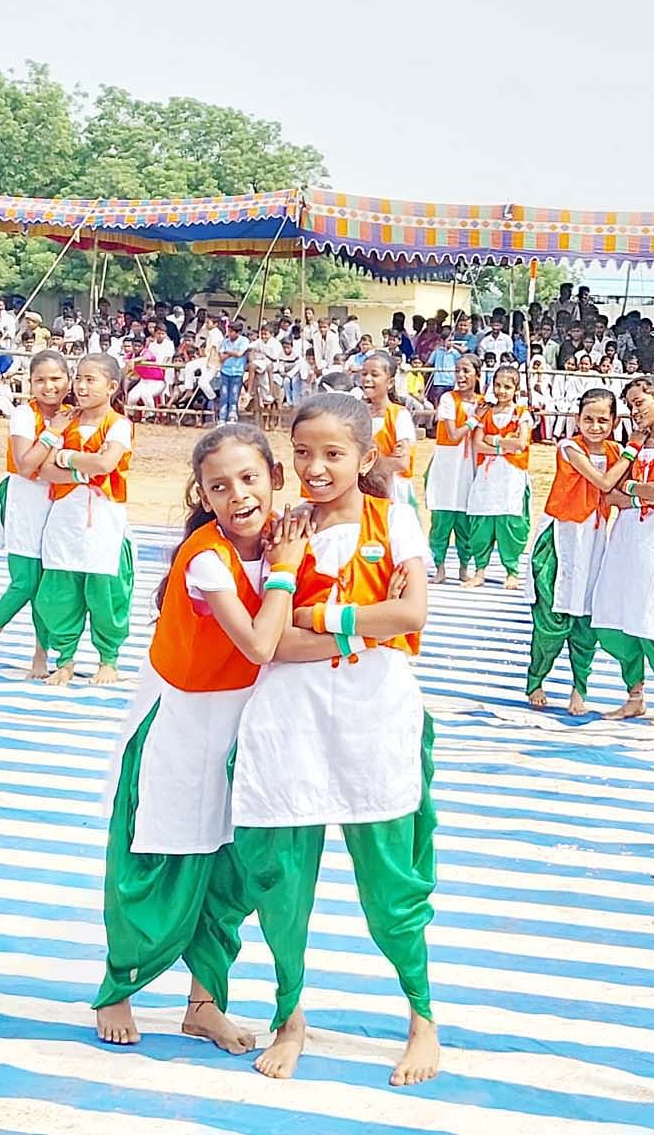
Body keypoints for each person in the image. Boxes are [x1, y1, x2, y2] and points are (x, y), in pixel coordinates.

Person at [229, 392, 441, 1086]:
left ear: (366, 458)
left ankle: (422, 1019)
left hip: (374, 721)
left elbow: (411, 614)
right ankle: (290, 1016)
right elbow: (274, 645)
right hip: (290, 723)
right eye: (303, 453)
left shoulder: (395, 521)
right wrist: (359, 625)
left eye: (333, 454)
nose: (315, 467)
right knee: (282, 876)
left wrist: (324, 617)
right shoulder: (282, 531)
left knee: (391, 883)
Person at [94, 422, 303, 1054]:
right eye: (220, 486)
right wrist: (286, 573)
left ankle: (203, 1005)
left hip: (244, 720)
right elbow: (261, 641)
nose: (239, 495)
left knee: (225, 863)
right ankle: (119, 987)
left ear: (274, 478)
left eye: (250, 478)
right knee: (156, 854)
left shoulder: (285, 539)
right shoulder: (209, 558)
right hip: (180, 722)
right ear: (203, 496)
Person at [588, 377, 654, 724]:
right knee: (615, 610)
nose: (635, 411)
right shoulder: (633, 445)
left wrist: (631, 494)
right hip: (626, 534)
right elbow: (611, 493)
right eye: (631, 405)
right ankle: (634, 695)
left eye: (640, 402)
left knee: (653, 612)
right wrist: (638, 494)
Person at [33, 353, 135, 687]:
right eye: (78, 378)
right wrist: (82, 467)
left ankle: (108, 659)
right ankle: (65, 659)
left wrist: (67, 459)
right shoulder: (65, 421)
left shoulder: (119, 424)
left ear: (111, 387)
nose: (81, 385)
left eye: (91, 379)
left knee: (104, 589)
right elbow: (46, 469)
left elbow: (107, 464)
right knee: (61, 589)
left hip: (104, 518)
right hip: (66, 516)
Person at [0, 350, 71, 678]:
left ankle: (40, 653)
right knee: (25, 580)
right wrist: (52, 432)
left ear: (68, 381)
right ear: (30, 383)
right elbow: (26, 464)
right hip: (25, 502)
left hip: (60, 502)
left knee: (47, 581)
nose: (48, 386)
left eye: (56, 378)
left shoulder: (74, 415)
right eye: (40, 380)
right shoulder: (23, 415)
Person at [527, 387, 621, 713]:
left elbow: (619, 491)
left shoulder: (615, 452)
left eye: (602, 420)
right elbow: (604, 483)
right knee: (551, 614)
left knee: (585, 615)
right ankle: (536, 679)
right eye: (588, 419)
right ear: (577, 419)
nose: (595, 426)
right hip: (562, 536)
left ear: (613, 422)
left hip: (594, 541)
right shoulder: (569, 446)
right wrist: (632, 453)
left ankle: (579, 687)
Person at [463, 365, 533, 589]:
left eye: (507, 386)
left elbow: (521, 444)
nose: (502, 391)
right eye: (498, 385)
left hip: (511, 476)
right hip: (487, 475)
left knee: (510, 522)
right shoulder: (487, 413)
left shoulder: (521, 414)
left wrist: (494, 440)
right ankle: (480, 570)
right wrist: (504, 445)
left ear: (516, 388)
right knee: (482, 522)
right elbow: (477, 444)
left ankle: (511, 571)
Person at [425, 357, 480, 581]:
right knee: (442, 516)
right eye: (457, 371)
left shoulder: (484, 401)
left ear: (477, 373)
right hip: (448, 464)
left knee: (466, 518)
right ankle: (439, 567)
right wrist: (472, 420)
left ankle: (464, 566)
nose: (460, 376)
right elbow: (453, 435)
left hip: (472, 465)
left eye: (466, 371)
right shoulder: (448, 399)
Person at [359, 353, 418, 516]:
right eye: (364, 374)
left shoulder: (400, 415)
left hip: (394, 492)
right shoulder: (359, 415)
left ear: (390, 383)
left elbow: (402, 463)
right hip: (364, 491)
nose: (367, 379)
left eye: (374, 374)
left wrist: (365, 466)